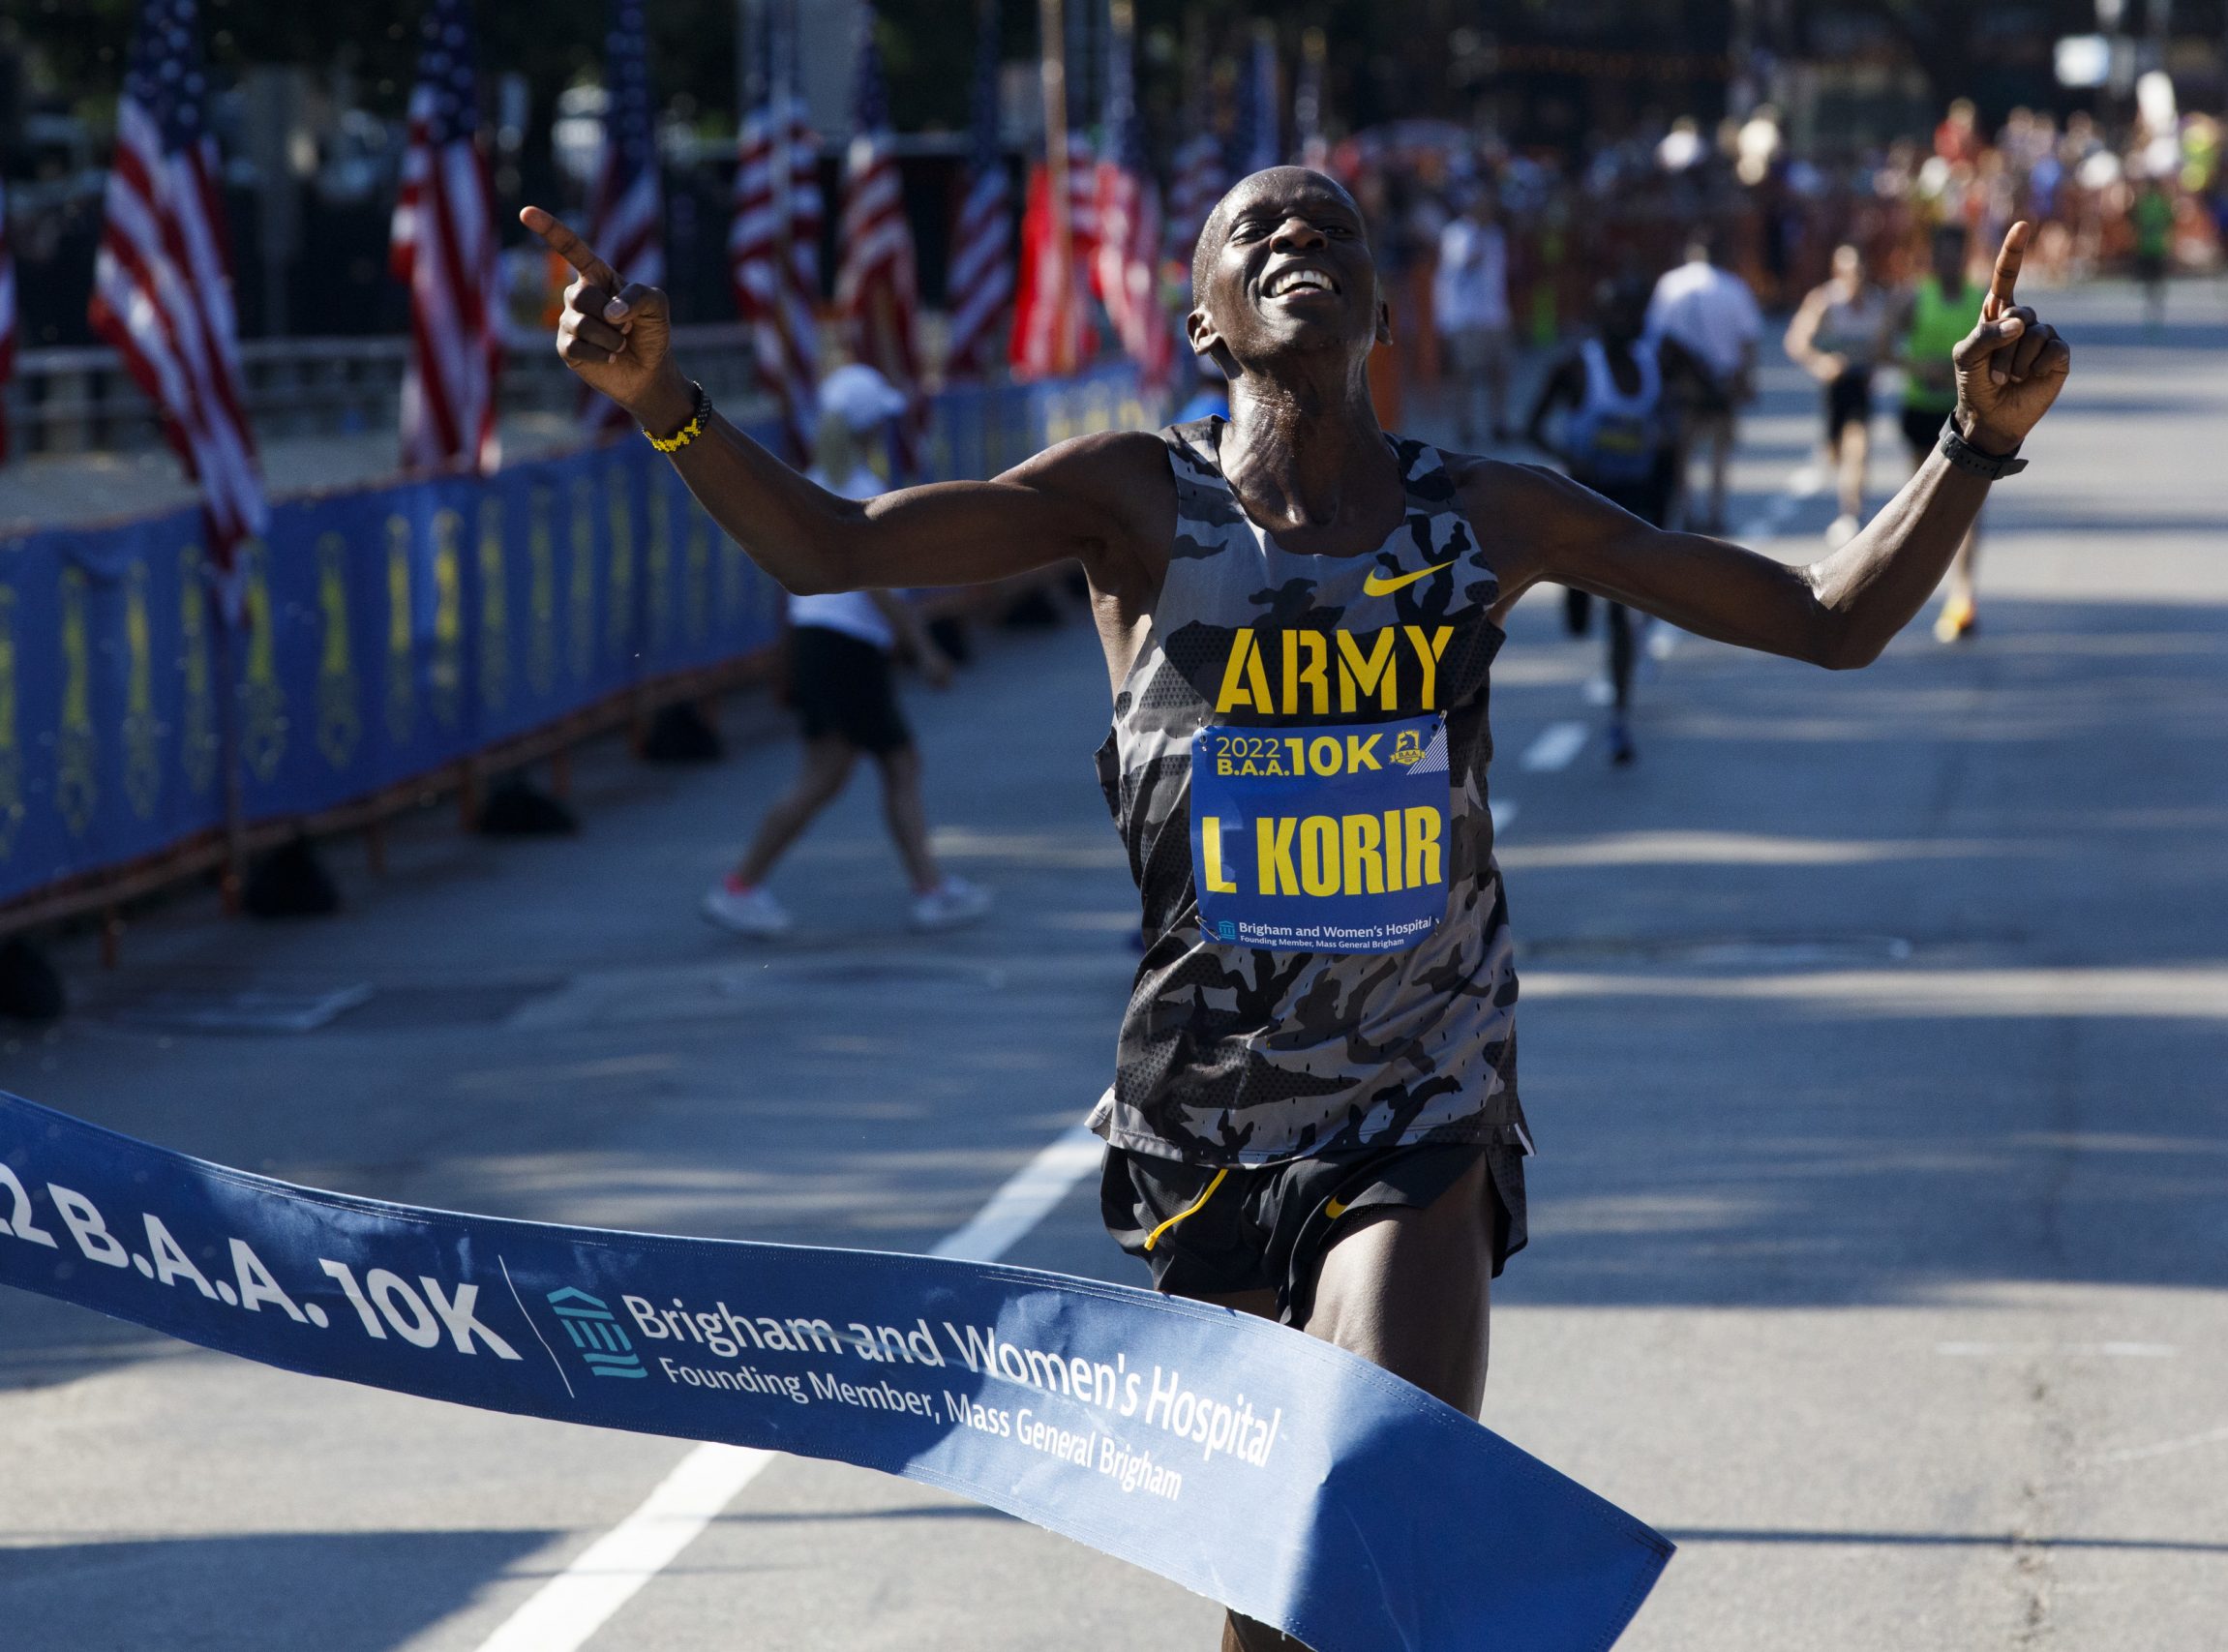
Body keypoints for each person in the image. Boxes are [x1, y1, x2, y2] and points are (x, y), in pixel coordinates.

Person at [526, 171, 2067, 1652]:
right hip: (1207, 1115)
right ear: (1203, 320)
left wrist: (1972, 442)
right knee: (1274, 1578)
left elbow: (1829, 617)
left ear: (1382, 308)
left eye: (1330, 226)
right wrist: (666, 401)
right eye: (1253, 228)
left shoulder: (1488, 515)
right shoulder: (1139, 499)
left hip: (1424, 1090)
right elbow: (837, 548)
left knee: (1374, 1488)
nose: (1295, 237)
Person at [699, 365, 994, 939]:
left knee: (836, 773)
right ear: (867, 427)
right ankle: (925, 890)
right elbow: (876, 584)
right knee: (886, 765)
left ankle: (743, 885)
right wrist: (923, 650)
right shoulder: (856, 485)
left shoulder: (813, 482)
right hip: (845, 648)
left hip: (823, 643)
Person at [1525, 274, 1678, 765]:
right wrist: (1570, 457)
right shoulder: (1575, 367)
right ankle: (1575, 598)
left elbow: (1683, 413)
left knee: (1619, 610)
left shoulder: (1656, 363)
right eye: (1613, 312)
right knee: (1579, 616)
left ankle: (1619, 715)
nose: (1622, 322)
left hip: (1635, 504)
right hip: (1584, 502)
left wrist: (1668, 441)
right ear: (1598, 318)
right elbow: (1532, 428)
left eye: (1631, 314)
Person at [1892, 223, 1993, 641]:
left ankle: (1963, 595)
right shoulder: (1916, 298)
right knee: (1925, 507)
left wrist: (1961, 377)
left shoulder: (1978, 301)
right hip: (1920, 411)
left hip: (1966, 415)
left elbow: (1997, 353)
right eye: (1943, 254)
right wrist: (1921, 368)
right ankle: (1912, 596)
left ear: (1964, 257)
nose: (1949, 262)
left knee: (1967, 507)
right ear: (1933, 258)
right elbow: (1884, 346)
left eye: (1956, 254)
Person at [1646, 237, 1763, 532]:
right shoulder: (1734, 287)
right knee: (1720, 452)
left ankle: (1687, 512)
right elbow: (1748, 339)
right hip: (1724, 382)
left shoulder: (1670, 284)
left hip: (1685, 384)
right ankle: (1715, 512)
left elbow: (1656, 336)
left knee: (1684, 452)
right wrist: (1747, 379)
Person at [1783, 242, 1890, 546]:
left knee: (1859, 448)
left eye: (1860, 271)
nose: (1855, 278)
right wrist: (1821, 362)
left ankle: (1851, 513)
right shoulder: (1825, 302)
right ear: (1838, 273)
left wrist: (1880, 364)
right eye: (1849, 272)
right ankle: (1827, 457)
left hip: (1860, 383)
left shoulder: (1876, 304)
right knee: (1835, 451)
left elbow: (1884, 346)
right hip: (1836, 385)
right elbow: (1796, 340)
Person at [1432, 190, 1514, 444]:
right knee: (1464, 375)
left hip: (1494, 315)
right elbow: (1462, 264)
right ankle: (1465, 426)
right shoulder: (1456, 234)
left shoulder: (1497, 234)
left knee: (1500, 371)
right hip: (1466, 318)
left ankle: (1498, 422)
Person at [2130, 172, 2174, 328]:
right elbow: (2169, 222)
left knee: (2149, 280)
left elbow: (2136, 223)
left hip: (2146, 245)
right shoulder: (2163, 203)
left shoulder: (2143, 203)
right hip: (2158, 245)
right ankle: (2157, 307)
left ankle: (2150, 308)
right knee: (2158, 280)